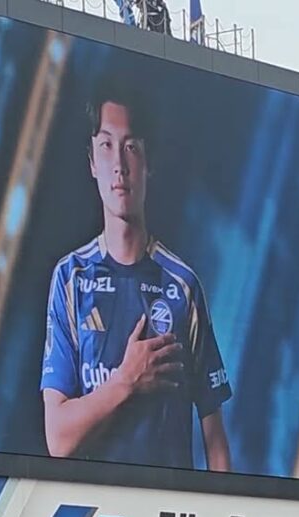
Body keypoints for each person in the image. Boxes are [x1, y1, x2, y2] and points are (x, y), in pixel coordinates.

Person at [40, 76, 232, 472]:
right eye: (106, 146)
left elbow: (215, 438)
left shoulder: (182, 285)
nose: (119, 165)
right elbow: (57, 438)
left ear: (149, 163)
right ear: (92, 163)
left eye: (131, 148)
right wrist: (125, 381)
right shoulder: (71, 278)